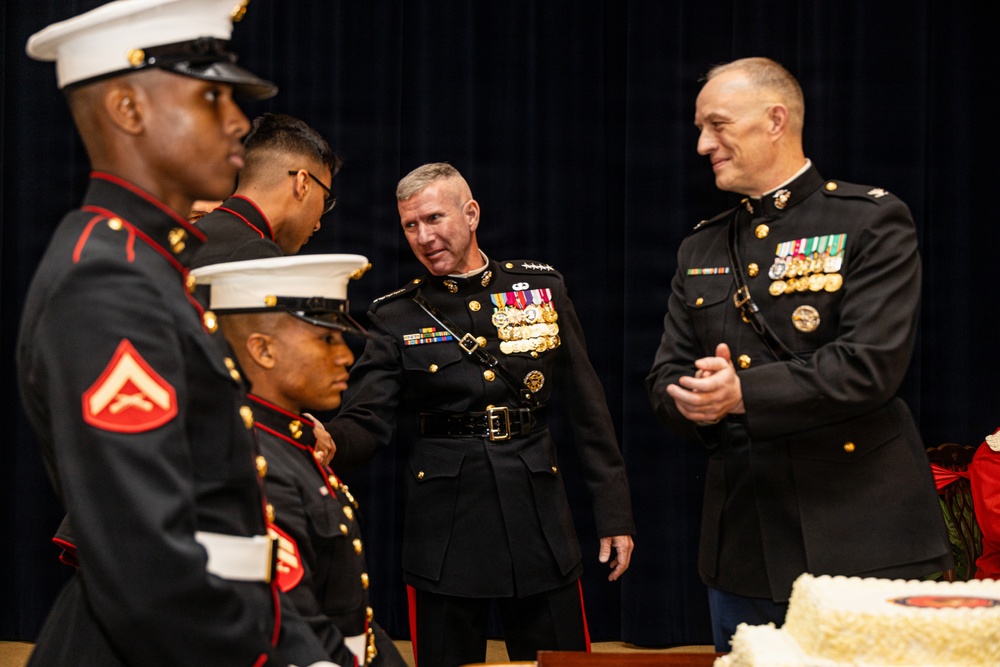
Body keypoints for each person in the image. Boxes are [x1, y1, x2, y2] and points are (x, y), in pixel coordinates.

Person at [17, 1, 336, 665]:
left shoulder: (153, 266)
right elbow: (149, 568)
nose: (238, 122)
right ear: (128, 110)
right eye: (211, 96)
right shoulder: (105, 285)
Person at [645, 57, 952, 651]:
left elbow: (870, 365)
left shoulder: (869, 220)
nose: (705, 143)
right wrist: (693, 399)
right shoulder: (701, 245)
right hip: (744, 542)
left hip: (861, 536)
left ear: (775, 120)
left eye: (718, 124)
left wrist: (743, 393)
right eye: (699, 129)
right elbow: (665, 373)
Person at [326, 162, 635, 667]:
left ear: (471, 214)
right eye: (410, 226)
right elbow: (366, 416)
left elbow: (588, 412)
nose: (423, 237)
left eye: (433, 218)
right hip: (445, 527)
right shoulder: (395, 314)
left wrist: (614, 514)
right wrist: (330, 442)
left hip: (538, 516)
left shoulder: (540, 290)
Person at [196, 254, 408, 667]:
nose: (346, 356)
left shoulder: (290, 442)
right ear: (263, 350)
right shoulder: (251, 463)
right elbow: (291, 632)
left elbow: (349, 619)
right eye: (326, 339)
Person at [191, 112, 339, 268]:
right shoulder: (254, 253)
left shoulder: (196, 235)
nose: (317, 225)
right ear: (302, 184)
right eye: (324, 198)